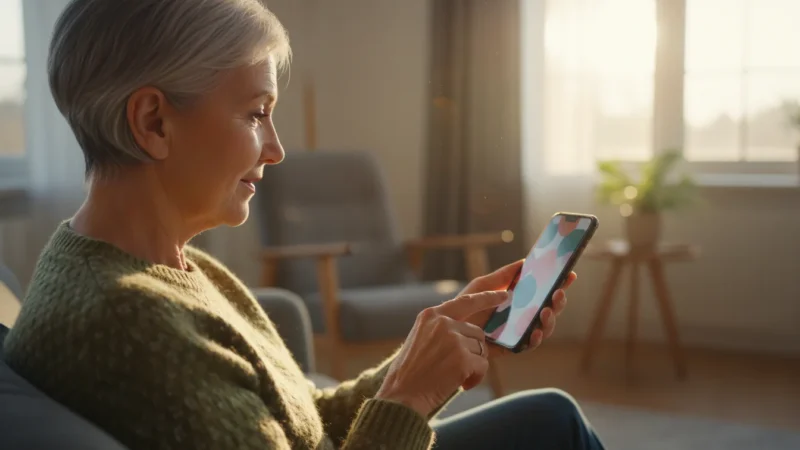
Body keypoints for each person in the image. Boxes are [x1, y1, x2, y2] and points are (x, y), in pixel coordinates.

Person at [1, 1, 604, 449]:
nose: (277, 149)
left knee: (550, 416)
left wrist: (425, 357)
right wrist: (408, 398)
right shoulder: (130, 320)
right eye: (256, 114)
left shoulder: (170, 266)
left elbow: (302, 424)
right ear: (154, 121)